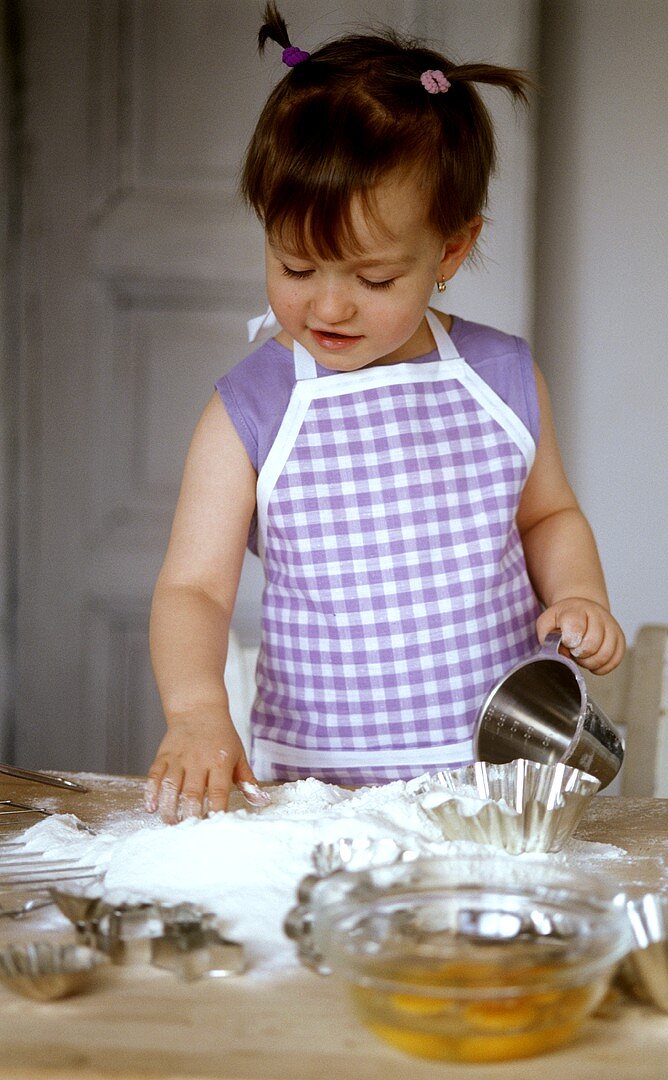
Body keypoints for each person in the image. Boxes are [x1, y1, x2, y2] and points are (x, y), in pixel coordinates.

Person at [146, 3, 625, 824]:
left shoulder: (500, 376)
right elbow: (193, 588)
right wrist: (195, 711)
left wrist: (580, 594)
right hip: (317, 795)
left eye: (371, 280)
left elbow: (547, 514)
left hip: (500, 778)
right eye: (295, 265)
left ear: (449, 250)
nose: (327, 305)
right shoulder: (252, 408)